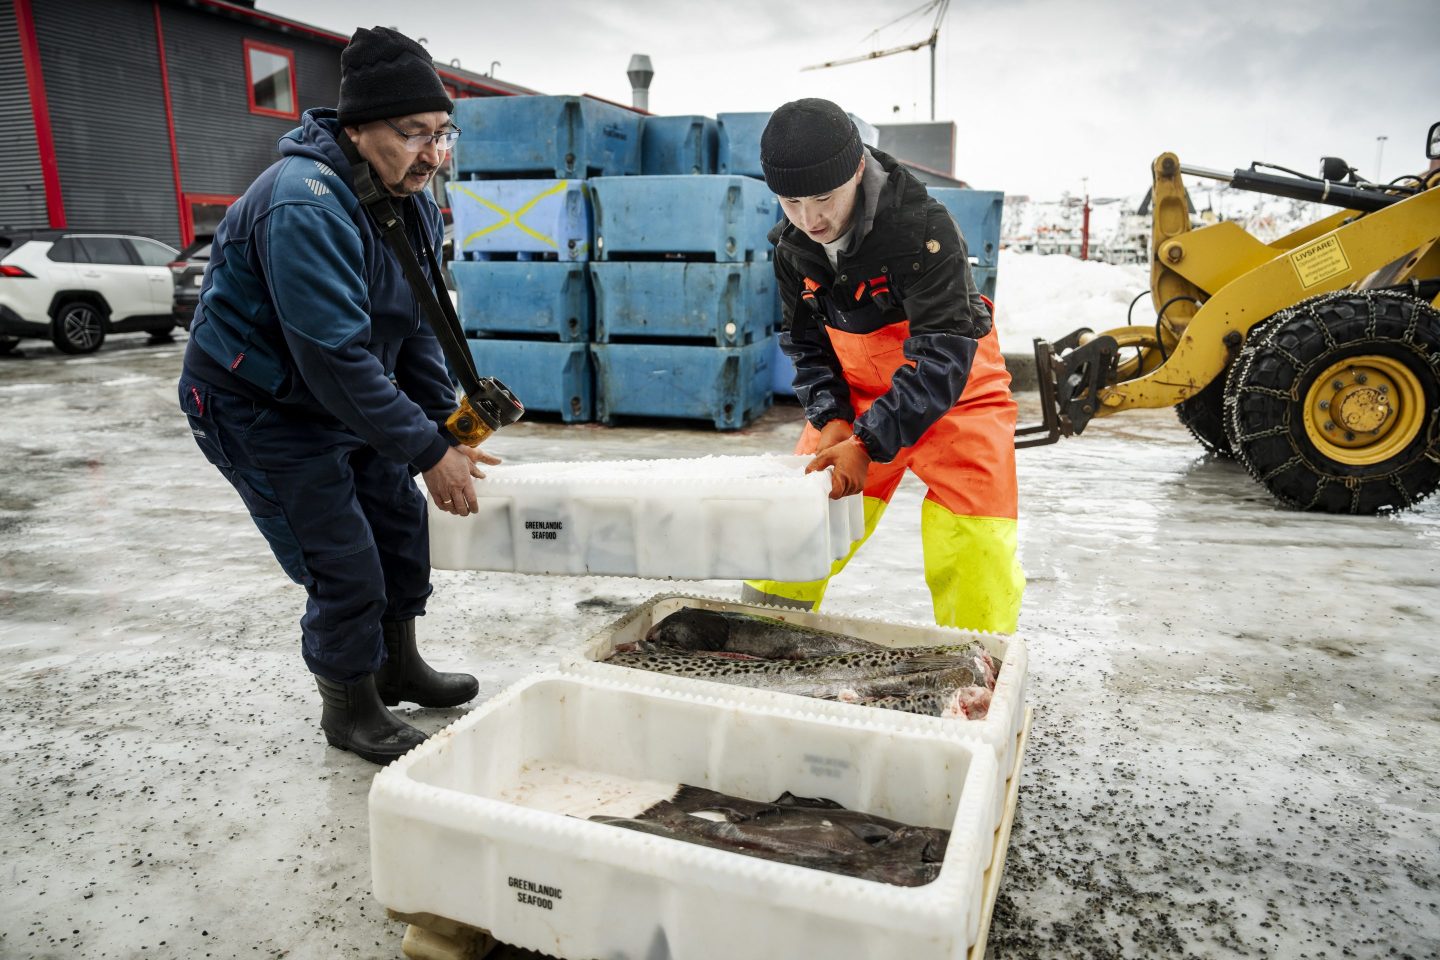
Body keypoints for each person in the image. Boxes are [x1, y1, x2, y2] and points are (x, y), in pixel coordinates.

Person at [177, 27, 494, 764]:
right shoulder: (306, 204)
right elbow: (332, 356)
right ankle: (350, 709)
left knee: (398, 525)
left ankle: (396, 665)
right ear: (356, 130)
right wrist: (422, 447)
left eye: (440, 133)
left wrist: (444, 431)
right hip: (259, 404)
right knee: (343, 559)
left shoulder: (406, 197)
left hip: (336, 389)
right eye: (413, 133)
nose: (432, 153)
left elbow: (413, 324)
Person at [742, 98, 1025, 634]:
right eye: (791, 202)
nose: (810, 219)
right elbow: (805, 343)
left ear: (855, 170)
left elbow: (943, 353)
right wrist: (830, 416)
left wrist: (869, 445)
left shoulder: (923, 231)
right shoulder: (791, 247)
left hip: (956, 394)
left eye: (823, 198)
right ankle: (756, 638)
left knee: (977, 547)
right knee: (796, 524)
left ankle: (975, 677)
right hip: (857, 399)